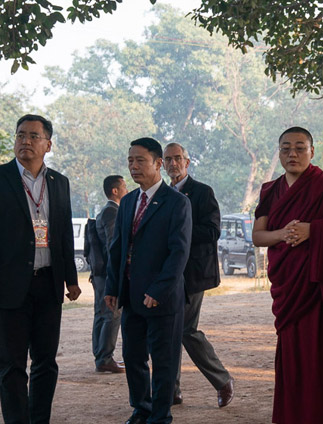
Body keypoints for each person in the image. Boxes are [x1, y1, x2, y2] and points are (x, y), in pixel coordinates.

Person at [0, 114, 81, 423]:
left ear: (48, 144)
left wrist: (71, 279)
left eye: (33, 136)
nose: (25, 141)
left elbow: (63, 235)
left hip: (48, 284)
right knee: (11, 364)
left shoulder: (59, 182)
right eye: (20, 135)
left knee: (46, 362)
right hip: (9, 286)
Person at [252, 127, 323, 423]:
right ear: (279, 153)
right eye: (286, 148)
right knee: (294, 358)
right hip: (289, 290)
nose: (293, 154)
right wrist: (285, 234)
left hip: (321, 290)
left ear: (312, 152)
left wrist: (313, 230)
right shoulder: (270, 190)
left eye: (300, 148)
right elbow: (258, 236)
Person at [104, 137, 192, 424]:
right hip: (131, 295)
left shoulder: (177, 203)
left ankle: (160, 415)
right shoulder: (128, 201)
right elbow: (117, 248)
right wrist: (112, 287)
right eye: (130, 160)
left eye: (140, 160)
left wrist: (159, 289)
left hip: (162, 298)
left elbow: (179, 253)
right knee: (133, 357)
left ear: (158, 164)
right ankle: (141, 409)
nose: (133, 166)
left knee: (164, 361)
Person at [162, 142, 235, 408]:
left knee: (185, 330)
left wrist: (180, 232)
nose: (173, 164)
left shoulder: (203, 192)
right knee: (168, 331)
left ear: (187, 162)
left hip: (193, 274)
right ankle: (172, 390)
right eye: (167, 159)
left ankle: (222, 380)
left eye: (177, 159)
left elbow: (213, 231)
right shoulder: (162, 193)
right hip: (167, 274)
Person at [90, 175, 128, 374]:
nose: (127, 189)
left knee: (102, 313)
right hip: (108, 273)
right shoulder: (112, 212)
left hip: (100, 273)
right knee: (111, 314)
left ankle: (101, 356)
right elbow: (114, 245)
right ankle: (105, 357)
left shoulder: (105, 211)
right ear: (115, 190)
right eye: (124, 186)